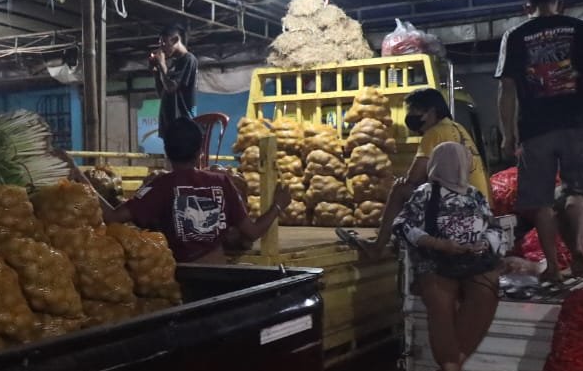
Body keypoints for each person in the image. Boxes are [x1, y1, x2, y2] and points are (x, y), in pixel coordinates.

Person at [496, 0, 583, 283]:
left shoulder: (514, 35)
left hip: (536, 128)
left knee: (540, 201)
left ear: (526, 5)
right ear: (560, 2)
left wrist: (508, 135)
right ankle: (579, 248)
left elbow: (507, 90)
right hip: (578, 123)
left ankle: (553, 266)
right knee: (578, 191)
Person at [67, 118, 291, 264]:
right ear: (199, 151)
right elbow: (251, 232)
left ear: (166, 151)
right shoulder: (222, 182)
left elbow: (113, 217)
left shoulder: (161, 186)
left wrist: (77, 172)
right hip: (222, 276)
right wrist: (277, 205)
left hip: (186, 280)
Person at [392, 142, 504, 371]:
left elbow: (495, 228)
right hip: (436, 262)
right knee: (440, 305)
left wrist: (484, 243)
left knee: (486, 294)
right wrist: (439, 244)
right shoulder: (425, 192)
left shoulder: (475, 195)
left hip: (471, 261)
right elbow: (403, 225)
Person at [337, 87, 489, 259]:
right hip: (476, 199)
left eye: (414, 110)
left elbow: (414, 177)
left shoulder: (434, 132)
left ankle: (378, 246)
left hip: (455, 200)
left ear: (430, 112)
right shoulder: (458, 128)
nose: (411, 116)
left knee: (400, 188)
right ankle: (394, 243)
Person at [152, 23, 197, 140]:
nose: (161, 47)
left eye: (164, 42)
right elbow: (162, 92)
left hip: (182, 124)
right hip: (170, 124)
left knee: (181, 157)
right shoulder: (172, 64)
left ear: (176, 39)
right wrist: (157, 72)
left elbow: (171, 87)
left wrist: (162, 65)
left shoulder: (188, 59)